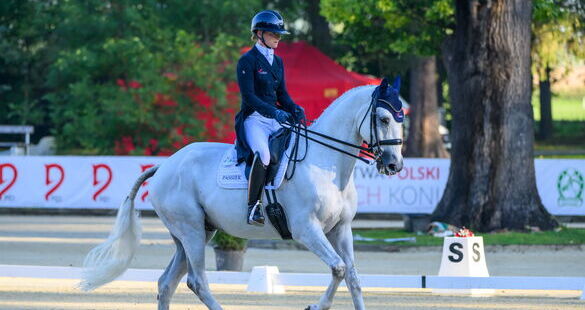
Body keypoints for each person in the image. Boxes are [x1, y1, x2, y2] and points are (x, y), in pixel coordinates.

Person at [234, 10, 306, 226]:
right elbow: (249, 97)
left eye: (279, 34)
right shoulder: (247, 61)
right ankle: (253, 207)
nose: (278, 38)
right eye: (274, 34)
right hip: (254, 119)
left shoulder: (278, 62)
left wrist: (294, 108)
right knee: (264, 155)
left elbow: (282, 94)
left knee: (297, 147)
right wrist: (274, 111)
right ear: (259, 33)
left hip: (275, 118)